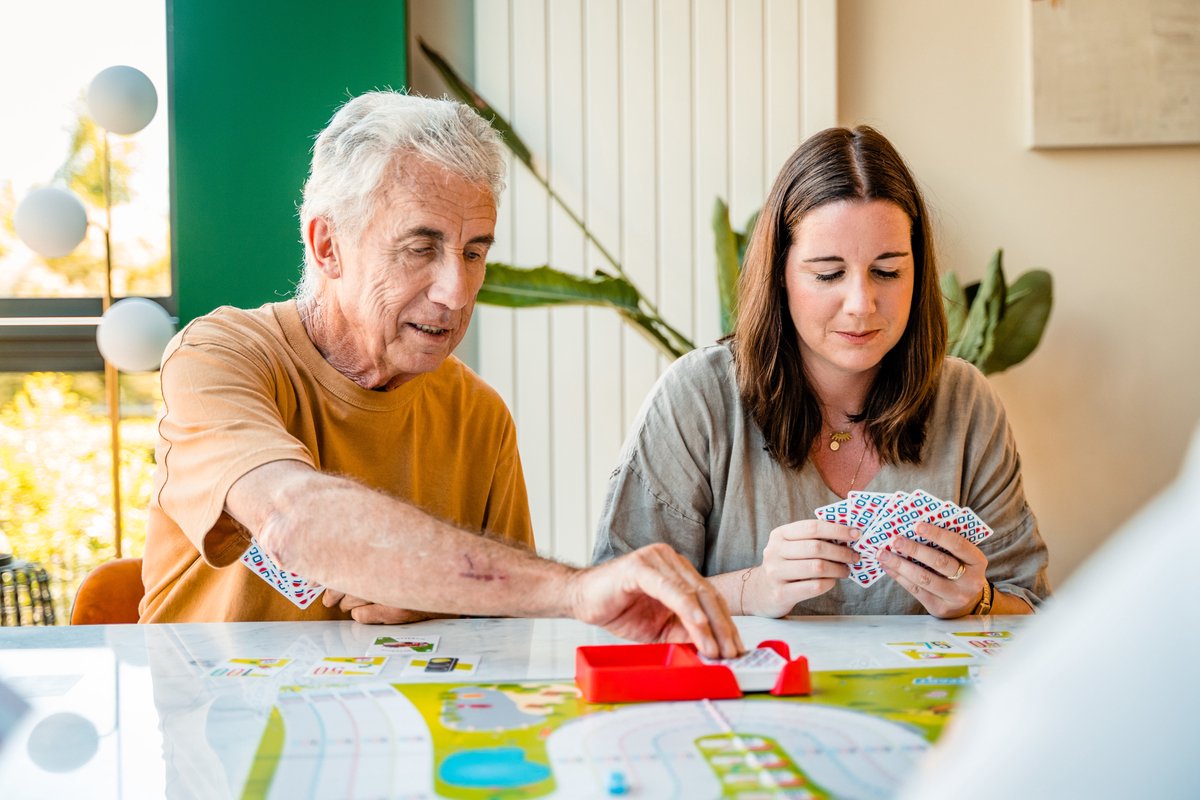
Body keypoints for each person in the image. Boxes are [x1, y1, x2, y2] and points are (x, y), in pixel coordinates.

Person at [139, 91, 742, 659]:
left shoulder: (479, 414)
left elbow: (505, 635)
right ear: (328, 247)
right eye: (420, 248)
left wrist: (434, 593)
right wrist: (574, 590)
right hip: (217, 717)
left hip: (392, 723)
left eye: (474, 252)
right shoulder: (217, 357)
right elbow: (290, 518)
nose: (456, 292)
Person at [592, 125, 1049, 619]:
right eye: (828, 274)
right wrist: (753, 590)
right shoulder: (698, 397)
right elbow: (620, 606)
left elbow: (1032, 608)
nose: (861, 304)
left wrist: (978, 601)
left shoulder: (965, 402)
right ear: (780, 275)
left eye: (888, 271)